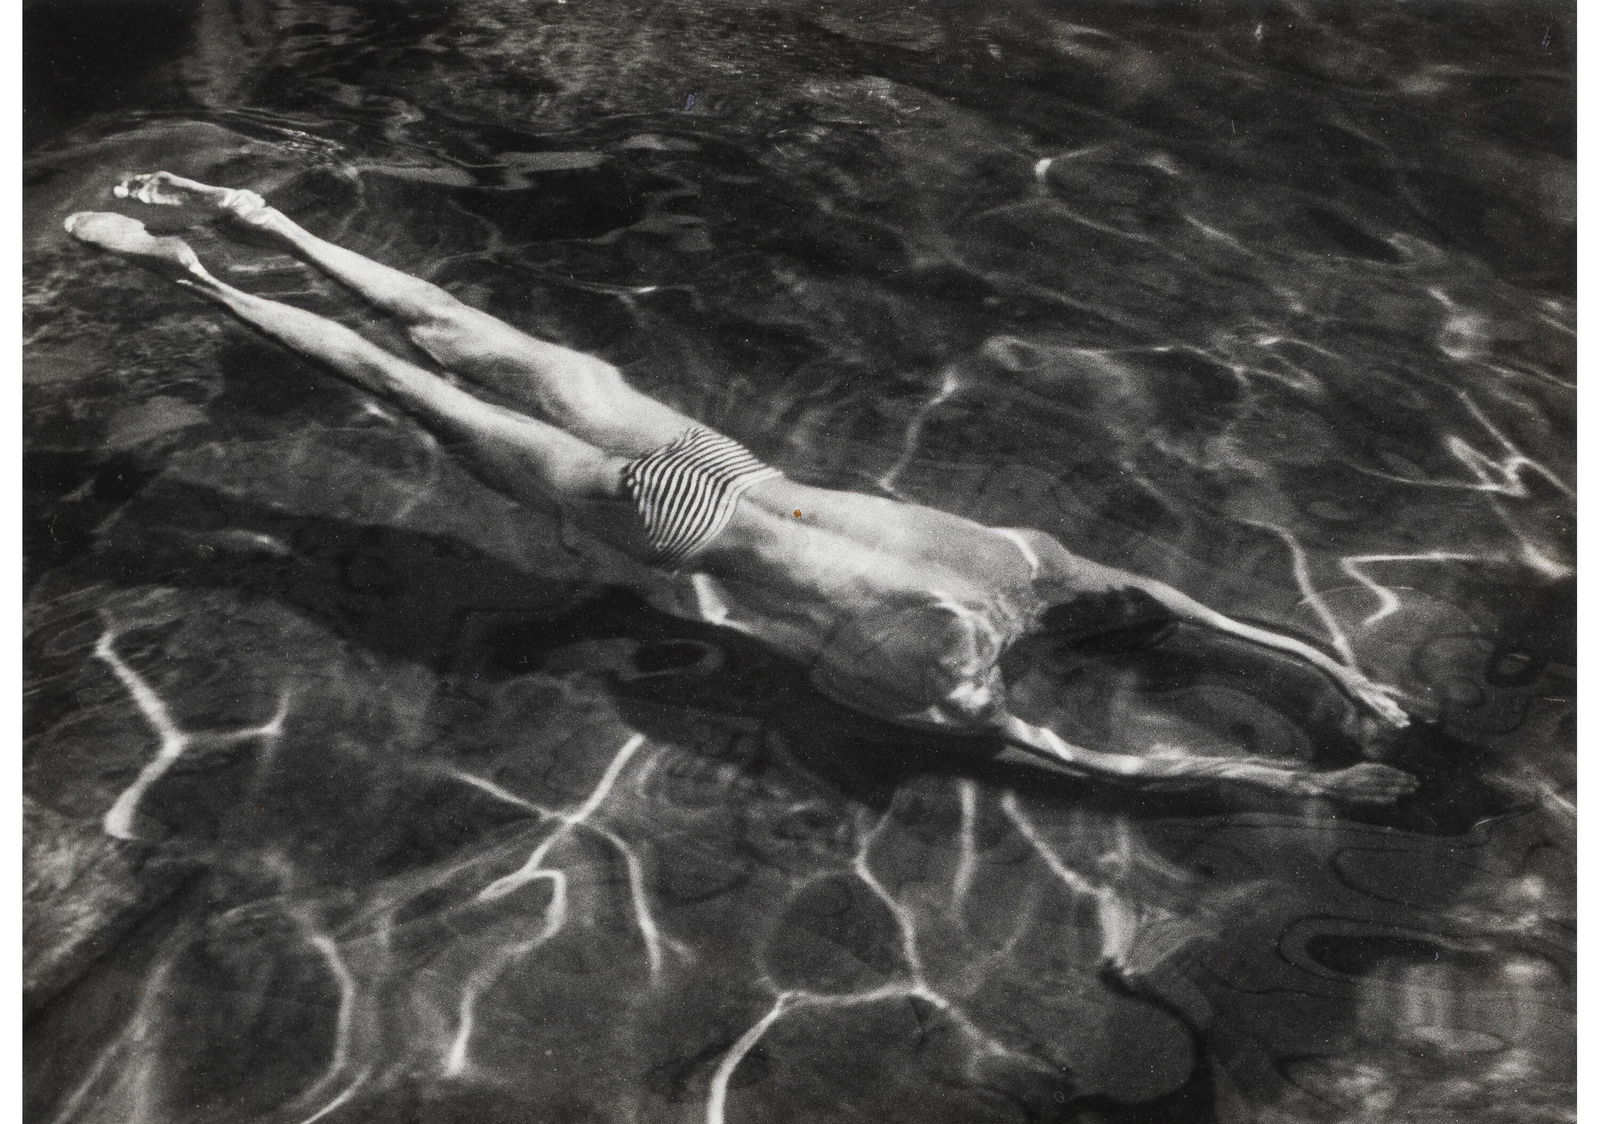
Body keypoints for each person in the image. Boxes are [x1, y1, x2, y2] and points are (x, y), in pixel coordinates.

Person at [64, 172, 1416, 803]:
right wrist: (1299, 781)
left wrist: (1339, 675)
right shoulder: (951, 687)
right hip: (677, 520)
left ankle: (264, 224)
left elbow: (1185, 616)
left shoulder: (1025, 561)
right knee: (411, 390)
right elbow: (1111, 763)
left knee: (475, 341)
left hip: (714, 456)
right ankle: (183, 268)